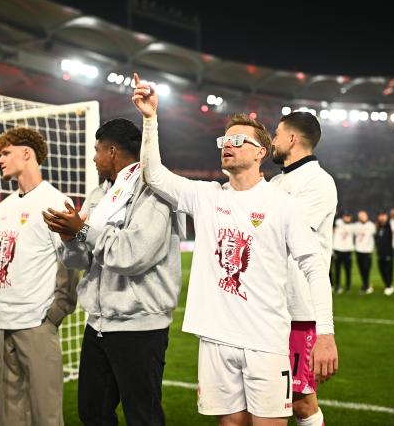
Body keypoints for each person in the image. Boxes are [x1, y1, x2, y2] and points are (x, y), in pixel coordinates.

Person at [132, 73, 337, 426]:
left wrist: (326, 333)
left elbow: (314, 268)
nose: (228, 144)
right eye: (224, 140)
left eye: (239, 139)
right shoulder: (208, 197)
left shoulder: (282, 202)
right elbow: (155, 174)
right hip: (215, 339)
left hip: (266, 340)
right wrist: (150, 119)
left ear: (261, 152)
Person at [42, 117, 182, 426]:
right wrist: (70, 237)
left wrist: (84, 231)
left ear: (113, 151)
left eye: (97, 150)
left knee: (142, 417)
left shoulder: (155, 193)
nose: (93, 158)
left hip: (140, 326)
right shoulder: (98, 195)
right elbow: (80, 261)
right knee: (92, 413)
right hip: (100, 324)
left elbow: (133, 255)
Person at [0, 127, 78, 426]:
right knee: (7, 416)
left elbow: (70, 265)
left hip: (35, 324)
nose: (0, 160)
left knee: (46, 416)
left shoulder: (56, 202)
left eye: (6, 153)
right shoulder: (4, 207)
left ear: (27, 154)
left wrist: (53, 316)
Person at [270, 111, 337, 426]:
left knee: (301, 402)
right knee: (266, 398)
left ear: (292, 139)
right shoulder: (274, 181)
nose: (273, 140)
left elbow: (282, 234)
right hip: (270, 308)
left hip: (299, 310)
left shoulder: (318, 182)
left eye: (277, 134)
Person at [354, 211, 376, 295]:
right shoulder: (356, 225)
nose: (362, 217)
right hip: (358, 251)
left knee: (366, 269)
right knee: (361, 270)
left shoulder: (371, 225)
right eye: (360, 216)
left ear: (367, 216)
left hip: (367, 251)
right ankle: (365, 284)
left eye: (363, 216)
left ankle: (366, 286)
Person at [332, 212, 354, 294]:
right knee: (337, 270)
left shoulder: (352, 226)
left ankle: (348, 287)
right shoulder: (338, 223)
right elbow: (332, 221)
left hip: (348, 251)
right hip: (338, 250)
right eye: (345, 216)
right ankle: (337, 286)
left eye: (348, 216)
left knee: (348, 270)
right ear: (343, 217)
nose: (347, 218)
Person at [374, 212, 394, 295]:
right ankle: (387, 285)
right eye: (380, 216)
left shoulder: (389, 226)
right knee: (381, 270)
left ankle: (389, 286)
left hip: (388, 253)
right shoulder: (378, 227)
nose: (382, 218)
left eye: (383, 216)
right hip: (379, 253)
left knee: (388, 271)